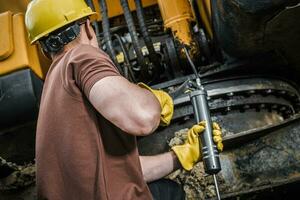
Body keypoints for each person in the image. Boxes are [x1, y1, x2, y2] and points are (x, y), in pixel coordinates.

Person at [25, 0, 223, 199]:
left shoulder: (52, 93)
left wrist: (181, 156)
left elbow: (122, 175)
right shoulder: (80, 56)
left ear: (43, 49)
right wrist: (153, 100)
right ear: (87, 27)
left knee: (166, 191)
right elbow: (143, 118)